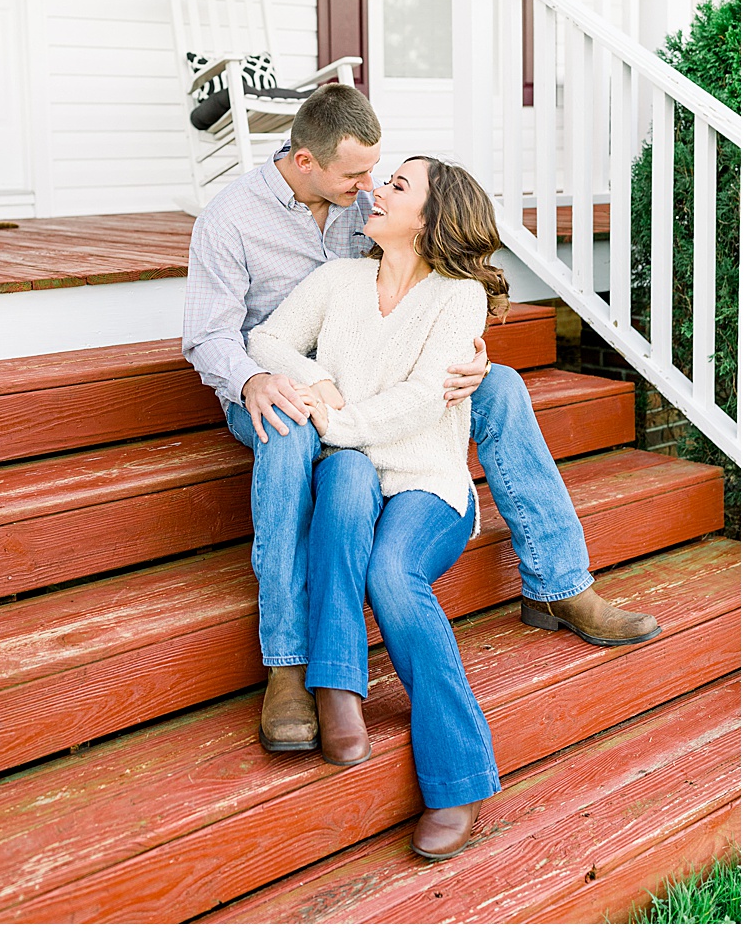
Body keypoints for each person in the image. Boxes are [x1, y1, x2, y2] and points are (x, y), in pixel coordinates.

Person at [180, 83, 658, 758]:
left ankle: (558, 585)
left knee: (502, 386)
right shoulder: (230, 219)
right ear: (304, 160)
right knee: (289, 434)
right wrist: (267, 379)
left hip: (374, 377)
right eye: (357, 174)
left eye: (380, 174)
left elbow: (428, 275)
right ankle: (287, 665)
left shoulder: (361, 206)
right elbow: (209, 338)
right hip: (269, 381)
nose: (370, 186)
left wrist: (466, 354)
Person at [247, 156, 506, 859]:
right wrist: (317, 376)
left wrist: (335, 422)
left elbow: (428, 397)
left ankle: (459, 780)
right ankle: (337, 687)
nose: (376, 191)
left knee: (393, 574)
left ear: (432, 215)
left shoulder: (457, 297)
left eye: (397, 186)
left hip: (427, 484)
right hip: (358, 470)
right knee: (343, 483)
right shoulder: (337, 281)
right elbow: (265, 340)